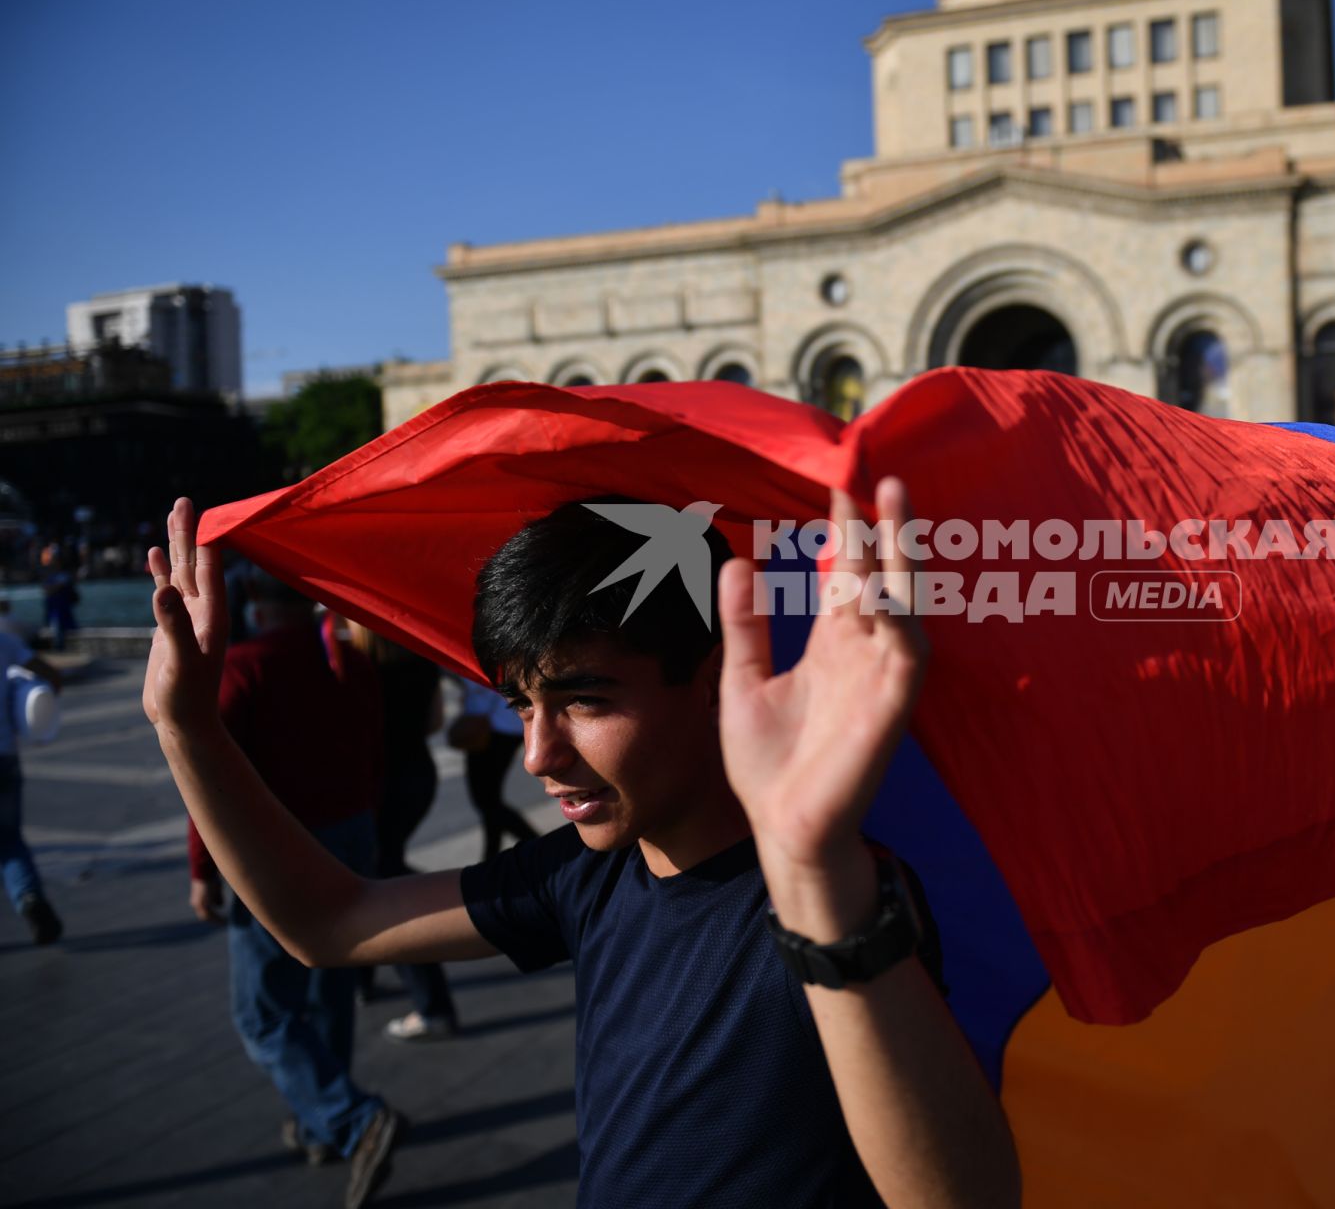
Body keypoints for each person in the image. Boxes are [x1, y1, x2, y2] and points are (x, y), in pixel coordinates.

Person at [143, 484, 1018, 1208]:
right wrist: (184, 726)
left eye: (585, 701)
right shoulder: (585, 874)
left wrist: (817, 874)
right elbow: (328, 923)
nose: (538, 753)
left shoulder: (841, 894)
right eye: (524, 704)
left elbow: (964, 1197)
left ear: (718, 682)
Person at [180, 568, 403, 1207]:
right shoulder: (347, 663)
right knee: (332, 984)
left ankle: (354, 1120)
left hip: (275, 849)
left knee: (264, 1011)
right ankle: (320, 1123)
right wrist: (373, 834)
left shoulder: (243, 668)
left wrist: (202, 868)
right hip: (352, 832)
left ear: (251, 601)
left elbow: (208, 781)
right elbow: (374, 755)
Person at [336, 617, 461, 1042]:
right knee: (372, 872)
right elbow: (433, 723)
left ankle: (432, 1004)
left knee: (381, 877)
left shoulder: (354, 666)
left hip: (376, 783)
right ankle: (363, 979)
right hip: (416, 776)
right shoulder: (419, 662)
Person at [1, 626, 64, 944]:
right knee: (10, 840)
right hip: (5, 756)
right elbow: (51, 675)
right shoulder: (5, 640)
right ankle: (29, 898)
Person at [452, 678, 536, 858]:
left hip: (494, 727)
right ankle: (491, 856)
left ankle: (537, 845)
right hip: (501, 724)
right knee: (490, 798)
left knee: (486, 800)